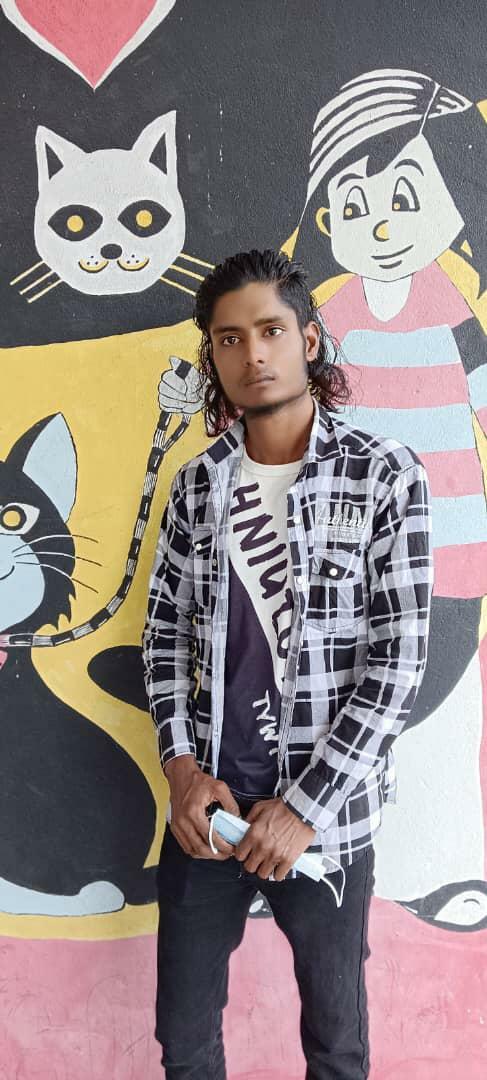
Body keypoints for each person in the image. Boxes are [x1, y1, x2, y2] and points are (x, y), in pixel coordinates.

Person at [142, 248, 433, 1079]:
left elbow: (399, 661)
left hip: (327, 821)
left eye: (270, 330)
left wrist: (303, 808)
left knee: (336, 1046)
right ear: (211, 357)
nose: (252, 354)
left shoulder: (383, 474)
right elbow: (162, 637)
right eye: (228, 339)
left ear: (308, 340)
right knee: (183, 1043)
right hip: (208, 815)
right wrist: (181, 771)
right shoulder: (196, 487)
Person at [293, 69, 487, 929]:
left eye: (404, 198)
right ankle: (302, 853)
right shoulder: (326, 317)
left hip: (451, 546)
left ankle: (435, 865)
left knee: (439, 701)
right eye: (355, 204)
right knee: (324, 694)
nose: (379, 226)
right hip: (343, 549)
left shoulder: (455, 310)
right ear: (324, 220)